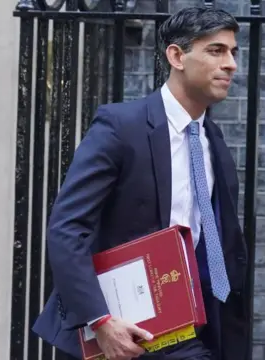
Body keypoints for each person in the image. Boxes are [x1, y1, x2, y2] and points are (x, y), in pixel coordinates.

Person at [32, 7, 250, 360]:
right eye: (216, 50)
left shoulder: (213, 142)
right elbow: (66, 228)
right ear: (176, 56)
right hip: (120, 332)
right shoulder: (121, 127)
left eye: (232, 52)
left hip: (195, 331)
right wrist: (101, 321)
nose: (230, 64)